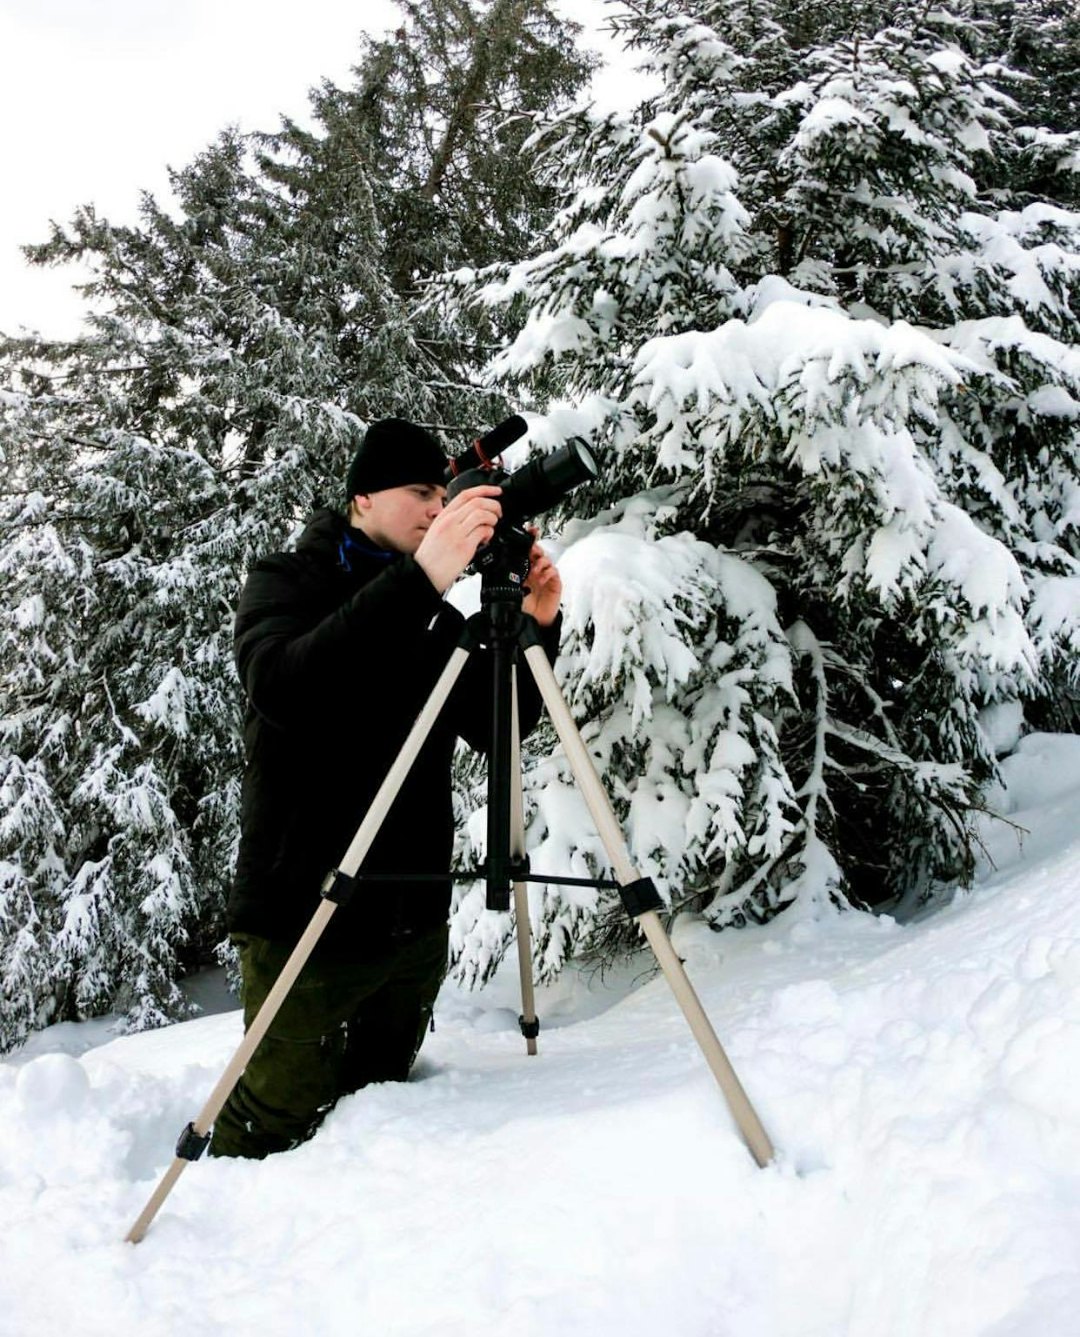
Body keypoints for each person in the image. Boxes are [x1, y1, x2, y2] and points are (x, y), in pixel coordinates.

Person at [210, 418, 562, 1159]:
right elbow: (286, 687)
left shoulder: (431, 614)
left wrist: (537, 625)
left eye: (443, 495)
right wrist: (422, 578)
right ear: (363, 497)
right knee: (274, 1124)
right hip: (305, 915)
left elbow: (499, 726)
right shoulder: (286, 581)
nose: (438, 509)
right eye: (421, 493)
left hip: (408, 923)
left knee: (377, 1122)